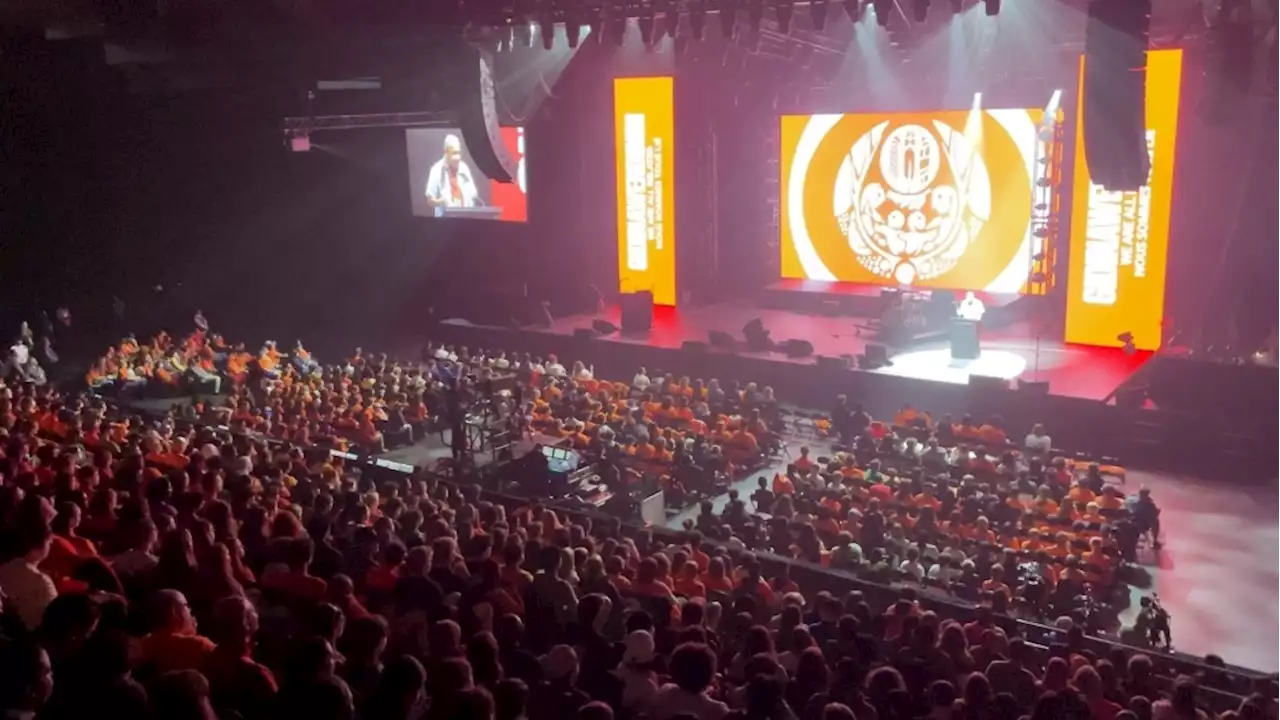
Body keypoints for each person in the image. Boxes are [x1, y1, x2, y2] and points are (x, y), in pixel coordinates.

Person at [425, 134, 481, 216]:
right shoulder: (436, 170)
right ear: (446, 153)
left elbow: (474, 196)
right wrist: (441, 202)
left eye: (459, 153)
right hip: (445, 222)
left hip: (465, 219)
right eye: (454, 153)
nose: (458, 157)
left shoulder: (464, 168)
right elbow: (430, 201)